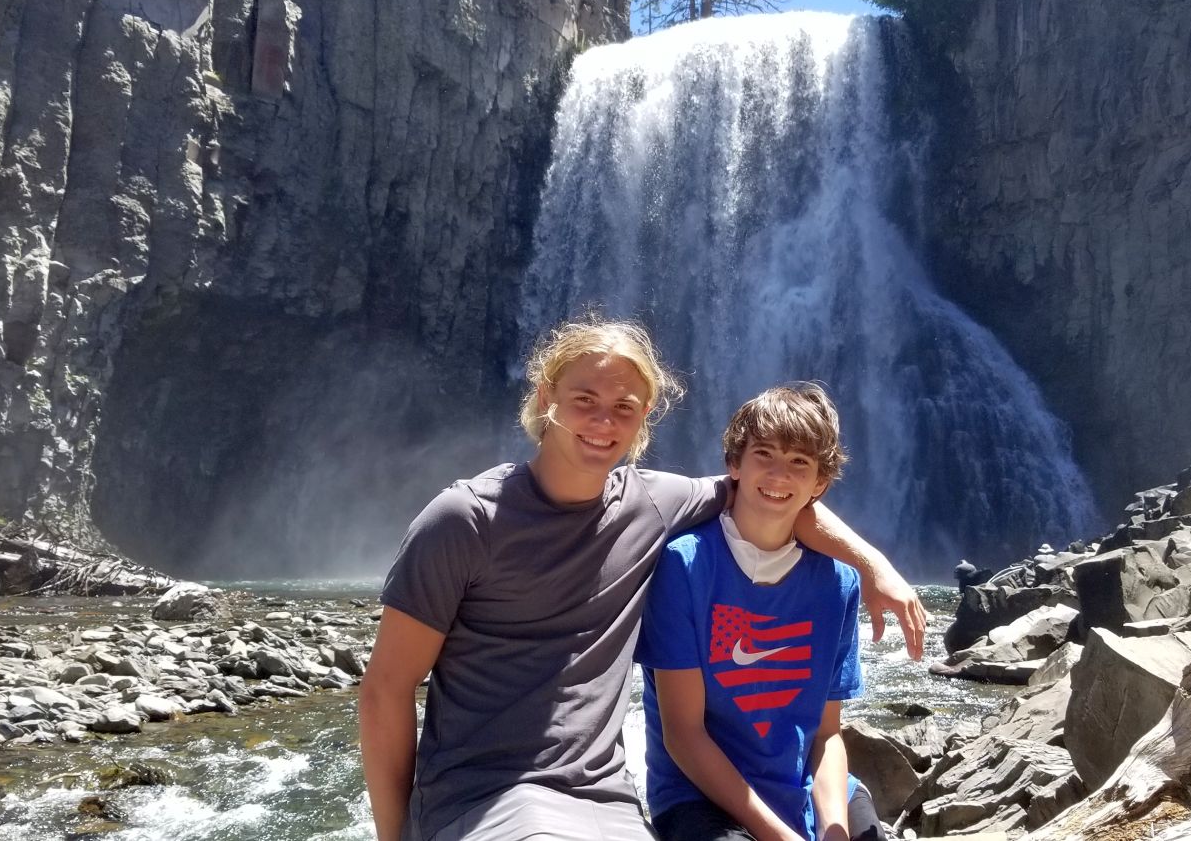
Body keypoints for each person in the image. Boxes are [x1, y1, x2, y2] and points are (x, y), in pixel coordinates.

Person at [359, 317, 927, 841]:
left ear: (644, 418)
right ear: (546, 398)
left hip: (603, 799)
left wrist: (874, 567)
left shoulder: (653, 506)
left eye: (624, 407)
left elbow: (779, 499)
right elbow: (385, 690)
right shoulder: (465, 520)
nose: (603, 421)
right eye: (585, 400)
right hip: (482, 797)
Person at [638, 383, 883, 841]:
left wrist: (833, 831)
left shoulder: (838, 584)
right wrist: (781, 837)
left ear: (820, 483)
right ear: (735, 463)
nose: (778, 474)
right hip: (701, 796)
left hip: (806, 789)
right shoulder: (684, 566)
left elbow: (827, 735)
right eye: (763, 454)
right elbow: (683, 735)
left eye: (799, 462)